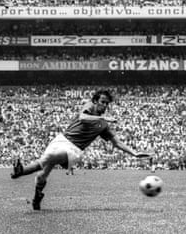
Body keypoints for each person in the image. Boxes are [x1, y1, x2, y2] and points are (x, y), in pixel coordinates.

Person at [11, 90, 152, 210]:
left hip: (75, 149)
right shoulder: (89, 107)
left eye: (107, 103)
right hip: (61, 140)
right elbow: (83, 118)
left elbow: (117, 142)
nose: (104, 105)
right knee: (43, 174)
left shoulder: (103, 125)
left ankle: (21, 171)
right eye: (102, 101)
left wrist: (134, 153)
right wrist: (102, 117)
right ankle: (37, 197)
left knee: (49, 158)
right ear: (95, 101)